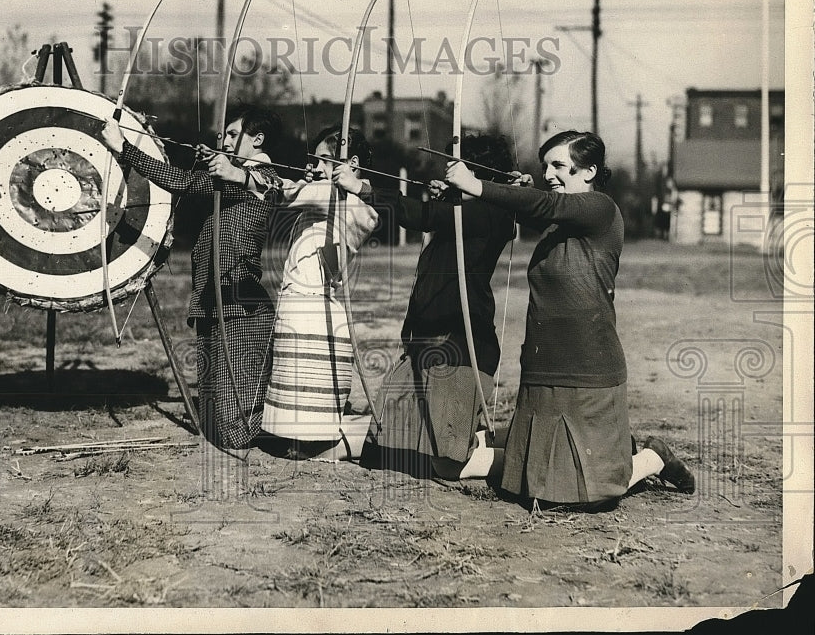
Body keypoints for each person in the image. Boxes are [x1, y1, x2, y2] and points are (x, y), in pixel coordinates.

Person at [444, 129, 695, 508]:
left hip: (589, 365)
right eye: (545, 166)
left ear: (590, 171)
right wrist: (464, 191)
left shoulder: (600, 209)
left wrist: (475, 184)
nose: (548, 174)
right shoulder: (557, 223)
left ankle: (651, 457)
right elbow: (532, 205)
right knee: (528, 489)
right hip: (545, 365)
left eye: (558, 165)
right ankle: (621, 454)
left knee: (590, 495)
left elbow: (544, 205)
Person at [101, 105, 283, 452]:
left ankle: (279, 433)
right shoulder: (234, 175)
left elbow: (184, 181)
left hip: (242, 308)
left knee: (234, 430)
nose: (225, 139)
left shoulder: (260, 174)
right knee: (211, 421)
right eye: (225, 135)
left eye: (234, 134)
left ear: (257, 140)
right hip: (214, 300)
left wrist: (123, 147)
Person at [344, 133, 516, 480]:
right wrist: (452, 196)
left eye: (461, 168)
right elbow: (435, 218)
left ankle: (528, 455)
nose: (452, 172)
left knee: (447, 463)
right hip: (423, 346)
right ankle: (493, 439)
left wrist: (363, 188)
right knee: (385, 450)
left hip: (461, 348)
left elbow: (418, 214)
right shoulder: (461, 211)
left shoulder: (492, 212)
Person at [260, 126, 379, 459]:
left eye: (323, 161)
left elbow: (286, 192)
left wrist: (247, 173)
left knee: (313, 425)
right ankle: (311, 439)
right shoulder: (329, 196)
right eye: (312, 161)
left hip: (314, 313)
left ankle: (348, 439)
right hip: (302, 306)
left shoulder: (348, 203)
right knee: (295, 414)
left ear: (350, 164)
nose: (312, 168)